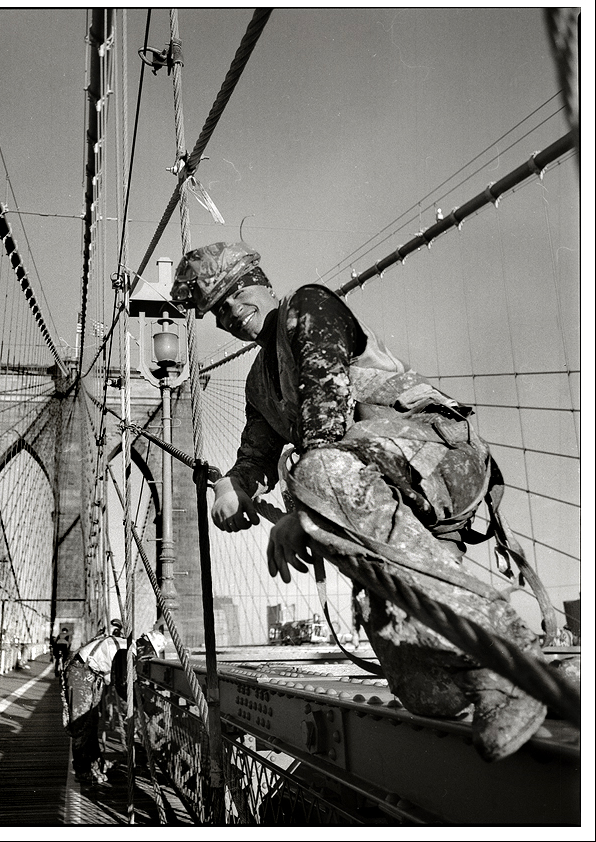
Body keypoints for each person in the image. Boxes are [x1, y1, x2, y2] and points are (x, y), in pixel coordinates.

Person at [171, 241, 548, 762]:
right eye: (216, 311)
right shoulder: (259, 382)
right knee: (423, 688)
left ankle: (513, 660)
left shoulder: (307, 307)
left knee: (315, 470)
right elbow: (256, 454)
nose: (228, 316)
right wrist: (234, 485)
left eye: (233, 296)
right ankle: (513, 683)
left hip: (434, 460)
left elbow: (324, 419)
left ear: (259, 282)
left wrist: (302, 515)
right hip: (379, 496)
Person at [63, 629, 166, 784]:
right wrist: (144, 705)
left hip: (90, 674)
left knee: (91, 723)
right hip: (81, 674)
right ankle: (83, 770)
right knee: (82, 724)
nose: (146, 657)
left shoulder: (126, 646)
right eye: (149, 653)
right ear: (145, 646)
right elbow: (121, 686)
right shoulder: (125, 651)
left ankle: (96, 763)